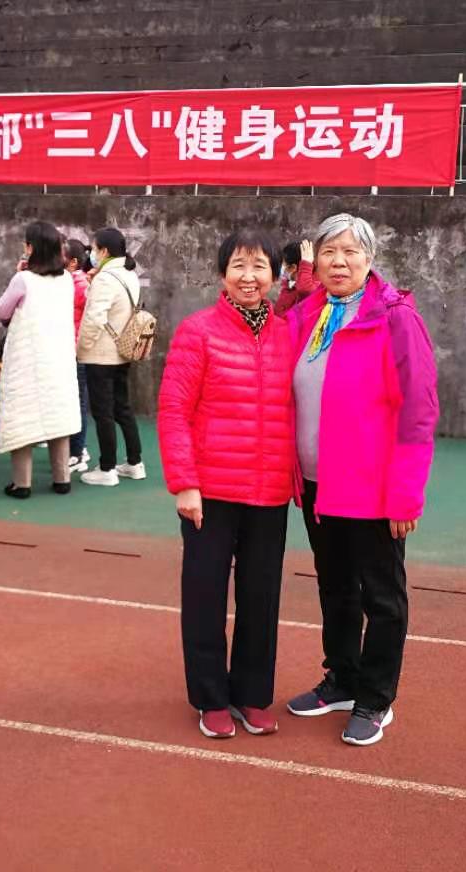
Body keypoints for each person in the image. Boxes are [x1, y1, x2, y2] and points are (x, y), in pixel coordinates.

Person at [284, 213, 439, 748]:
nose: (340, 262)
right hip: (317, 485)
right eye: (329, 252)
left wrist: (406, 495)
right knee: (334, 587)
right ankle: (343, 679)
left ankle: (375, 698)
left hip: (372, 489)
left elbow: (418, 411)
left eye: (351, 252)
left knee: (382, 597)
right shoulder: (308, 314)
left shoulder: (395, 319)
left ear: (370, 259)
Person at [159, 228, 296, 740]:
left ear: (274, 276)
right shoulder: (197, 331)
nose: (249, 276)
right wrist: (185, 483)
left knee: (261, 599)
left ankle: (251, 695)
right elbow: (174, 410)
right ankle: (211, 698)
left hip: (268, 491)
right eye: (239, 265)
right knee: (205, 597)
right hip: (210, 491)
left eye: (260, 266)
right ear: (222, 273)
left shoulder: (289, 333)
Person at [0, 222, 80, 499]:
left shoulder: (23, 280)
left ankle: (22, 484)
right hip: (59, 358)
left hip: (27, 359)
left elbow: (1, 310)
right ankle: (62, 478)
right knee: (58, 416)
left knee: (22, 416)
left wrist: (17, 274)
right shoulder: (66, 280)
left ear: (30, 248)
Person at [76, 226, 144, 487]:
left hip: (101, 354)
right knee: (122, 408)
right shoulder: (128, 274)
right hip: (123, 351)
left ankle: (107, 468)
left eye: (94, 249)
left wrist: (81, 349)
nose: (92, 254)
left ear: (103, 251)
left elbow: (94, 318)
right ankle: (135, 463)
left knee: (103, 412)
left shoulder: (106, 278)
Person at [64, 239, 92, 474]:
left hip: (76, 350)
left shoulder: (79, 284)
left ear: (72, 262)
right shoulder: (69, 281)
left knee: (78, 402)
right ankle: (75, 449)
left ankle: (78, 451)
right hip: (69, 349)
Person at [274, 240, 316, 316]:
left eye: (282, 264)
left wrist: (306, 264)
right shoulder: (289, 285)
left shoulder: (313, 284)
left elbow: (305, 290)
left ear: (293, 267)